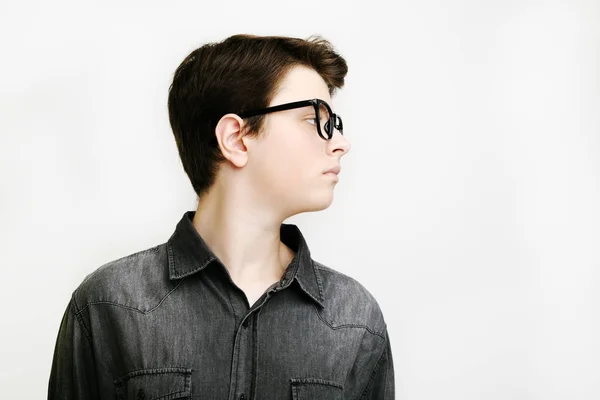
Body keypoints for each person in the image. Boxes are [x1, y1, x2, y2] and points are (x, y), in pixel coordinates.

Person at [48, 33, 395, 399]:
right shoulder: (108, 305)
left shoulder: (356, 319)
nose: (340, 142)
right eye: (313, 120)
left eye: (334, 123)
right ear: (236, 137)